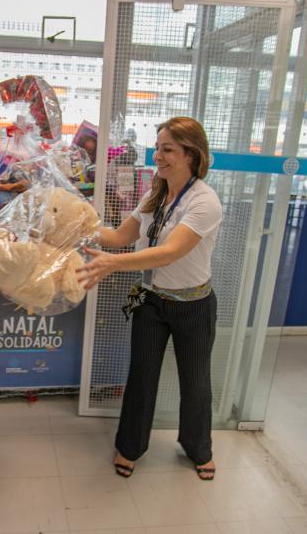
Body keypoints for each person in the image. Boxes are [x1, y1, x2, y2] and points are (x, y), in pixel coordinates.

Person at [77, 116, 222, 481]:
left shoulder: (205, 202)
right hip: (151, 301)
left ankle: (198, 447)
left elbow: (169, 252)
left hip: (194, 305)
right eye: (157, 148)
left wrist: (114, 265)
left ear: (192, 155)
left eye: (168, 149)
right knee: (141, 376)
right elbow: (117, 237)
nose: (158, 156)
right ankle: (130, 447)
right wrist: (74, 228)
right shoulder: (154, 194)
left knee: (196, 381)